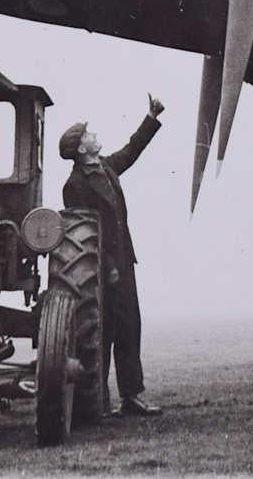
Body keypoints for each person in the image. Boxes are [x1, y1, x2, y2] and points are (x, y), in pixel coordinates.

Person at [59, 96, 165, 417]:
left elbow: (131, 151)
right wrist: (107, 266)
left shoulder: (104, 167)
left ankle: (131, 396)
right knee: (101, 331)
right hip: (98, 268)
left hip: (124, 260)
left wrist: (150, 117)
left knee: (129, 326)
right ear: (81, 148)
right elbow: (86, 232)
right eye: (88, 135)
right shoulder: (74, 185)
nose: (94, 136)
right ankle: (97, 401)